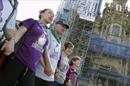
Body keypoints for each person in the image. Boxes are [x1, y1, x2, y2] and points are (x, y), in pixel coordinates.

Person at [0, 8, 54, 86]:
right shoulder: (32, 22)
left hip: (31, 68)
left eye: (53, 16)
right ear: (41, 13)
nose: (51, 16)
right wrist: (12, 42)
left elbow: (41, 52)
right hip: (18, 60)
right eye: (49, 13)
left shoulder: (46, 34)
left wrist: (46, 66)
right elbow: (19, 33)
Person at [35, 20, 69, 86]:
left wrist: (56, 70)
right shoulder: (47, 33)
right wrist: (45, 67)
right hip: (39, 74)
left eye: (65, 28)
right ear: (56, 25)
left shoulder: (60, 41)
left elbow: (55, 59)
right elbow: (38, 50)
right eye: (62, 26)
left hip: (50, 77)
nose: (64, 29)